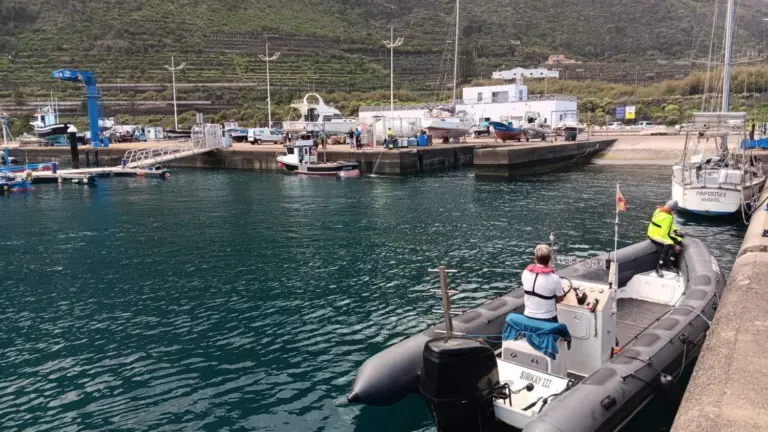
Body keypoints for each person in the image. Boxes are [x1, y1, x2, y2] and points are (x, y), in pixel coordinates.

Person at [521, 245, 564, 323]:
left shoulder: (525, 272)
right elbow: (560, 299)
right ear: (550, 259)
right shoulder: (554, 278)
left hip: (528, 316)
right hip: (548, 318)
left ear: (535, 258)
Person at [647, 200, 684, 277]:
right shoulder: (668, 217)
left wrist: (675, 231)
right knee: (669, 243)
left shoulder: (658, 210)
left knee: (679, 240)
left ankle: (669, 265)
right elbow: (664, 233)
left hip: (653, 231)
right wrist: (674, 245)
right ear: (673, 209)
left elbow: (665, 225)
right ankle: (659, 267)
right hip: (655, 235)